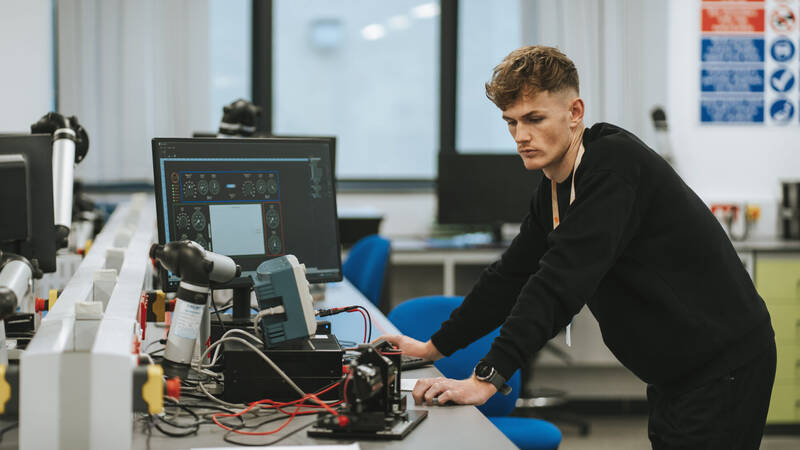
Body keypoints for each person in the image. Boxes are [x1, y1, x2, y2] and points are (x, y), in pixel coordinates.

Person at [383, 45, 775, 449]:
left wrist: (487, 379)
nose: (521, 136)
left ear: (574, 113)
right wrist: (433, 346)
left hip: (723, 365)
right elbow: (511, 276)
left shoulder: (612, 169)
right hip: (675, 371)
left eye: (534, 119)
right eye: (511, 122)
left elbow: (558, 282)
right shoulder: (555, 187)